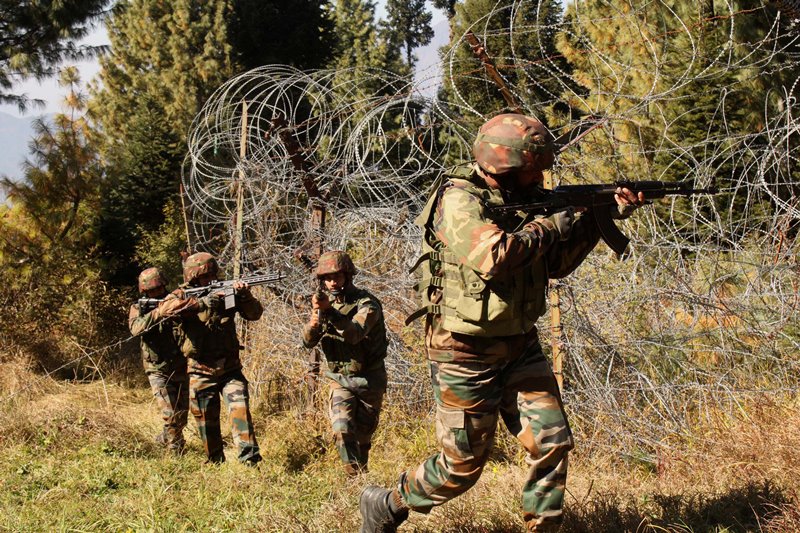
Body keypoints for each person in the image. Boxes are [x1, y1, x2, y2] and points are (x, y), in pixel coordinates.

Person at [359, 113, 645, 532]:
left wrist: (599, 217)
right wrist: (557, 221)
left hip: (519, 343)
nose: (540, 178)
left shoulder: (525, 200)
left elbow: (557, 263)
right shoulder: (458, 201)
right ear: (507, 165)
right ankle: (389, 503)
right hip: (464, 351)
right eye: (534, 170)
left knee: (551, 440)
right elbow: (495, 257)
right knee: (462, 466)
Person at [170, 252, 264, 465]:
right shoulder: (181, 295)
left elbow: (255, 314)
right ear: (193, 278)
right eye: (205, 278)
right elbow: (165, 309)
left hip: (230, 369)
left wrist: (244, 296)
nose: (211, 280)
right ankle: (214, 462)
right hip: (200, 370)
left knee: (241, 411)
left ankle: (250, 461)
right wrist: (202, 303)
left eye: (213, 275)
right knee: (206, 422)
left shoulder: (226, 292)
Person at [302, 250, 388, 476]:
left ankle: (362, 476)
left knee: (362, 440)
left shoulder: (367, 304)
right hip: (340, 379)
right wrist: (314, 322)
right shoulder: (325, 304)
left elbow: (355, 334)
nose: (332, 282)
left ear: (348, 276)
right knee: (342, 431)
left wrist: (330, 312)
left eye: (337, 277)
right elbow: (308, 342)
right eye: (327, 278)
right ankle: (353, 480)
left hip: (369, 379)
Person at [128, 267, 190, 454]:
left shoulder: (174, 301)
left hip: (179, 364)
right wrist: (159, 313)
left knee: (181, 416)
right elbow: (135, 329)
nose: (157, 293)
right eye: (152, 291)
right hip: (156, 368)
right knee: (170, 414)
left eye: (159, 290)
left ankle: (164, 437)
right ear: (144, 292)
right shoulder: (138, 308)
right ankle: (175, 452)